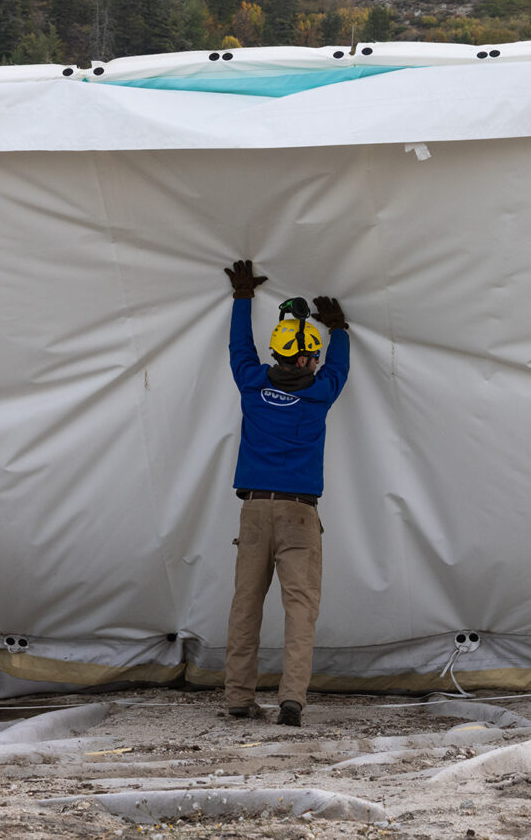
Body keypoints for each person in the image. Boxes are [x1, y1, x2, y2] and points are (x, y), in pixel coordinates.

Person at [222, 260, 350, 726]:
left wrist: (242, 297)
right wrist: (339, 329)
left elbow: (239, 348)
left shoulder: (252, 384)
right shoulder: (319, 395)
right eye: (311, 356)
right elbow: (339, 366)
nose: (316, 362)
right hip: (299, 515)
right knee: (300, 609)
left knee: (245, 605)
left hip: (254, 512)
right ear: (303, 359)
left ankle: (238, 699)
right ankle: (291, 701)